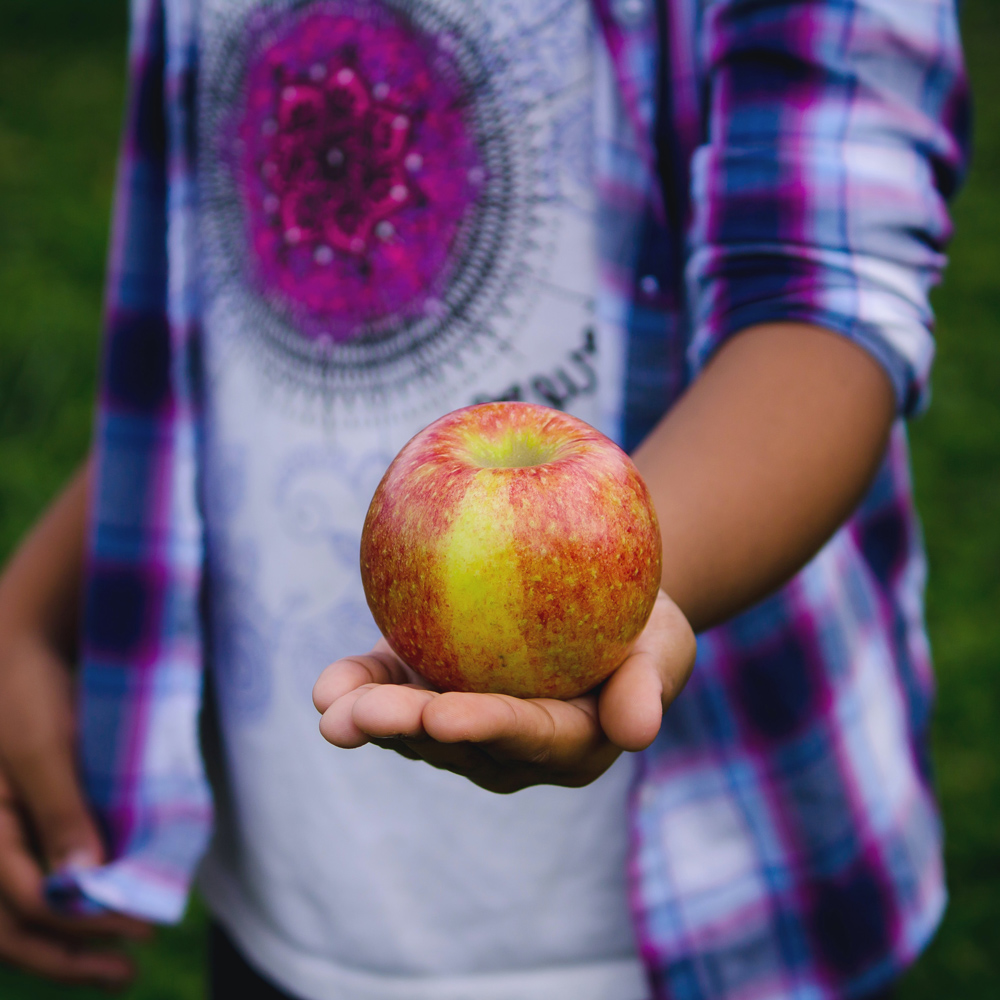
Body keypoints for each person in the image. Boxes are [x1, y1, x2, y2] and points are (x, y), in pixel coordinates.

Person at [0, 0, 969, 997]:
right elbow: (231, 318)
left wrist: (628, 591)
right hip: (291, 866)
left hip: (701, 886)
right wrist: (31, 604)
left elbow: (823, 294)